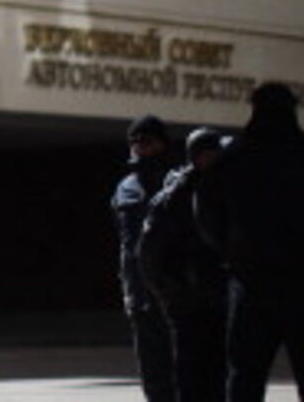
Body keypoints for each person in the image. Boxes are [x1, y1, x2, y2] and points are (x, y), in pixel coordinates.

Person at [197, 83, 304, 402]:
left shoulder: (232, 161)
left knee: (246, 376)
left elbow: (207, 217)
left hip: (252, 283)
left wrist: (231, 249)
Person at [141, 127, 231, 402]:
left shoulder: (228, 191)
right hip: (189, 301)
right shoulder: (174, 198)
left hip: (221, 297)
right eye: (207, 154)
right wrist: (170, 294)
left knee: (220, 370)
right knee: (191, 371)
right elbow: (150, 254)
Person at [114, 114, 178, 402]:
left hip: (175, 288)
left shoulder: (178, 181)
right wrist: (129, 289)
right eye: (135, 142)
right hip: (141, 291)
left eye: (147, 142)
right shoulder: (127, 186)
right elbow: (127, 244)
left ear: (162, 143)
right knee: (152, 370)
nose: (140, 148)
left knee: (185, 366)